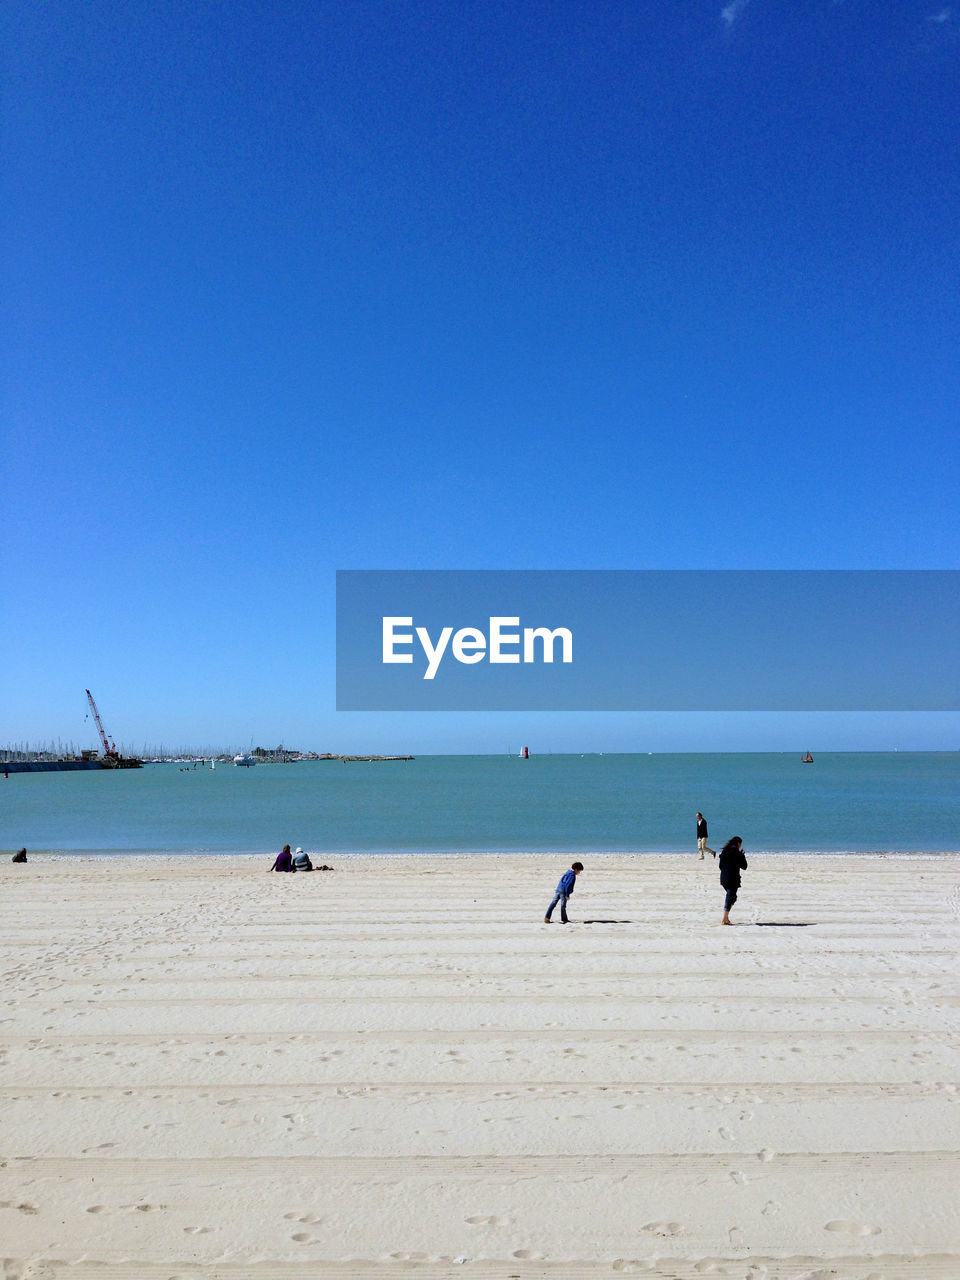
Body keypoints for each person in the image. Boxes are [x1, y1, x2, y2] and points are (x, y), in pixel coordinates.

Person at [718, 836, 747, 925]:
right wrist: (742, 855)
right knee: (730, 897)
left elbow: (720, 866)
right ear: (738, 843)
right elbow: (744, 866)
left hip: (724, 878)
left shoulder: (724, 851)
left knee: (732, 897)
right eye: (740, 844)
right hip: (733, 878)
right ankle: (724, 919)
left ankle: (726, 918)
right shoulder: (736, 853)